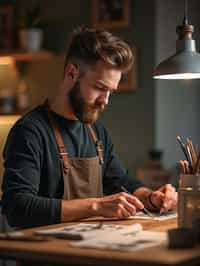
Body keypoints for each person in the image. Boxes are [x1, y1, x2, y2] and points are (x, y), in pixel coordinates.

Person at [1, 27, 177, 229]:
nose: (106, 101)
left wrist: (150, 197)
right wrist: (95, 205)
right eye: (100, 88)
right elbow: (17, 208)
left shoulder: (97, 132)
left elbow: (119, 181)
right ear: (71, 73)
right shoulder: (30, 132)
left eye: (111, 91)